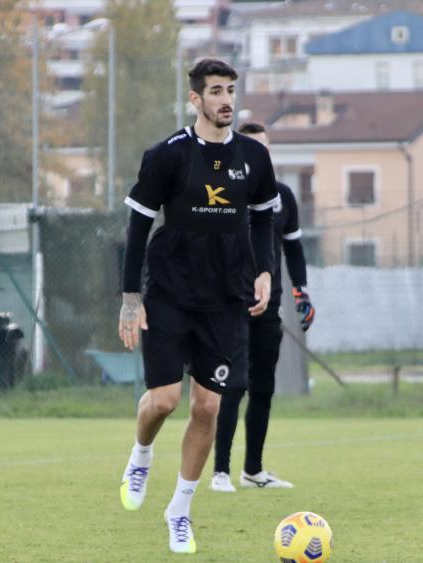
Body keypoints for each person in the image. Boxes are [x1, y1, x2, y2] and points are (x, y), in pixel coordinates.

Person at [117, 58, 279, 555]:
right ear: (195, 99)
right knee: (164, 401)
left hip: (225, 300)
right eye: (214, 91)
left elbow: (263, 221)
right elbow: (139, 227)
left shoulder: (254, 156)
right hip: (169, 292)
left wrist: (267, 271)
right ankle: (141, 454)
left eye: (230, 90)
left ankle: (179, 511)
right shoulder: (167, 155)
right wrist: (129, 298)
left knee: (207, 405)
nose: (225, 99)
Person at [211, 121, 315, 493]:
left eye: (265, 148)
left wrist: (301, 291)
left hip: (268, 305)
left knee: (263, 387)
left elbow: (294, 248)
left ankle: (253, 470)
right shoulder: (223, 194)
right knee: (233, 385)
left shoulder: (283, 196)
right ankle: (220, 471)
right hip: (231, 304)